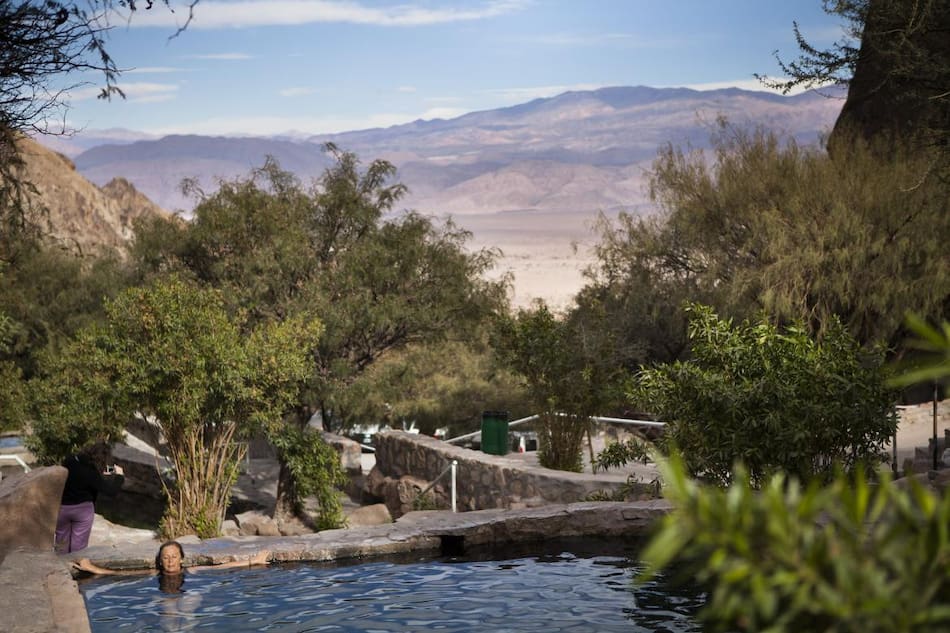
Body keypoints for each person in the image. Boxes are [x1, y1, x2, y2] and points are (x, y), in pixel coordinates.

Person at [74, 540, 272, 586]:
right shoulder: (154, 574)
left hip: (186, 595)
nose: (170, 561)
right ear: (160, 560)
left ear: (181, 559)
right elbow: (121, 575)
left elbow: (223, 567)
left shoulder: (192, 571)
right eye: (166, 557)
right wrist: (92, 569)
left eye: (174, 556)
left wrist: (253, 560)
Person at [55, 442, 125, 553]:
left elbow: (85, 471)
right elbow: (110, 491)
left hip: (62, 508)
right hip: (82, 511)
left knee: (61, 543)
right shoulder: (92, 474)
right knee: (78, 548)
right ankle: (76, 567)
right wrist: (119, 476)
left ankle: (59, 566)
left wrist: (108, 470)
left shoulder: (70, 460)